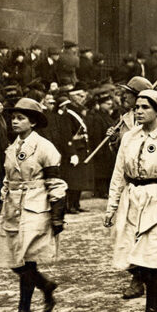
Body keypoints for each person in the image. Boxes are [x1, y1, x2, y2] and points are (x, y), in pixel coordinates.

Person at [104, 90, 157, 312]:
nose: (139, 111)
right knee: (137, 260)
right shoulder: (130, 136)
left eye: (145, 107)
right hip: (133, 201)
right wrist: (112, 206)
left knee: (154, 262)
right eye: (137, 107)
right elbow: (119, 173)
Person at [0, 98, 67, 312]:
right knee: (14, 261)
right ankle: (46, 286)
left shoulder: (45, 147)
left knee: (27, 258)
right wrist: (0, 213)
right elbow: (7, 182)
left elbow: (55, 183)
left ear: (32, 122)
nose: (14, 122)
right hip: (12, 207)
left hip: (36, 206)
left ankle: (23, 309)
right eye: (13, 118)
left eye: (20, 118)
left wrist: (57, 216)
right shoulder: (11, 147)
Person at [60, 83, 92, 214]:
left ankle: (76, 203)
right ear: (72, 97)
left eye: (83, 95)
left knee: (79, 178)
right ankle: (70, 205)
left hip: (82, 147)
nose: (82, 98)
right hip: (75, 148)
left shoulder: (78, 111)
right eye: (79, 95)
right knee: (73, 179)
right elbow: (67, 134)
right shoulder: (68, 112)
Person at [86, 89, 116, 198]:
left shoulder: (107, 116)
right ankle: (100, 190)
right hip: (101, 147)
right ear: (101, 104)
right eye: (107, 104)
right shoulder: (98, 118)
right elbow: (97, 134)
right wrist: (99, 150)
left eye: (110, 104)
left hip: (108, 148)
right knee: (101, 171)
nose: (110, 106)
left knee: (107, 170)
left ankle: (104, 190)